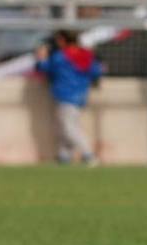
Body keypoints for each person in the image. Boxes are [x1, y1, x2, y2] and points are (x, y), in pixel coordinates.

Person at [34, 30, 103, 165]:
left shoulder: (61, 57)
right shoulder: (86, 55)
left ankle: (88, 154)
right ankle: (64, 156)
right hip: (81, 95)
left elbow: (44, 68)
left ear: (63, 40)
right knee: (68, 126)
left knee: (69, 128)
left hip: (65, 94)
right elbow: (96, 72)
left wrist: (41, 58)